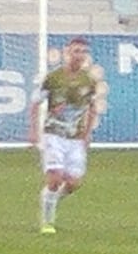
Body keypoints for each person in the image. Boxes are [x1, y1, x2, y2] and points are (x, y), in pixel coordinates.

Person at [33, 37, 103, 234]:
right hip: (54, 134)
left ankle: (50, 199)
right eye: (76, 51)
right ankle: (47, 222)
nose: (79, 55)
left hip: (76, 137)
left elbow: (92, 107)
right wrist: (32, 130)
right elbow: (35, 103)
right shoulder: (53, 77)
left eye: (82, 51)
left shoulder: (88, 80)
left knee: (73, 183)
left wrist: (88, 133)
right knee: (55, 179)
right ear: (67, 52)